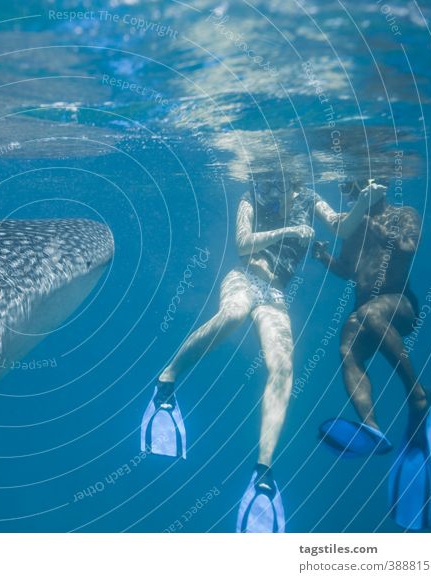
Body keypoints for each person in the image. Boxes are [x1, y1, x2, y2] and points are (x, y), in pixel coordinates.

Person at [141, 177, 366, 533]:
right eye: (271, 179)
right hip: (244, 277)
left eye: (284, 181)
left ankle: (263, 473)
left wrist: (364, 201)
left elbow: (341, 225)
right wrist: (290, 229)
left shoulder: (309, 197)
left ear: (294, 179)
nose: (275, 186)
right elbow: (243, 245)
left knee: (283, 367)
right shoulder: (250, 198)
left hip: (275, 293)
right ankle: (166, 380)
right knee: (233, 315)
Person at [313, 179, 431, 531]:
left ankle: (417, 395)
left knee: (368, 315)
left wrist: (371, 223)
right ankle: (371, 428)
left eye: (355, 189)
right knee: (346, 344)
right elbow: (349, 270)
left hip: (400, 304)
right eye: (350, 191)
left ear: (374, 189)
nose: (351, 195)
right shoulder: (354, 227)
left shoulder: (403, 214)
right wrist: (324, 257)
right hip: (367, 308)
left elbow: (408, 247)